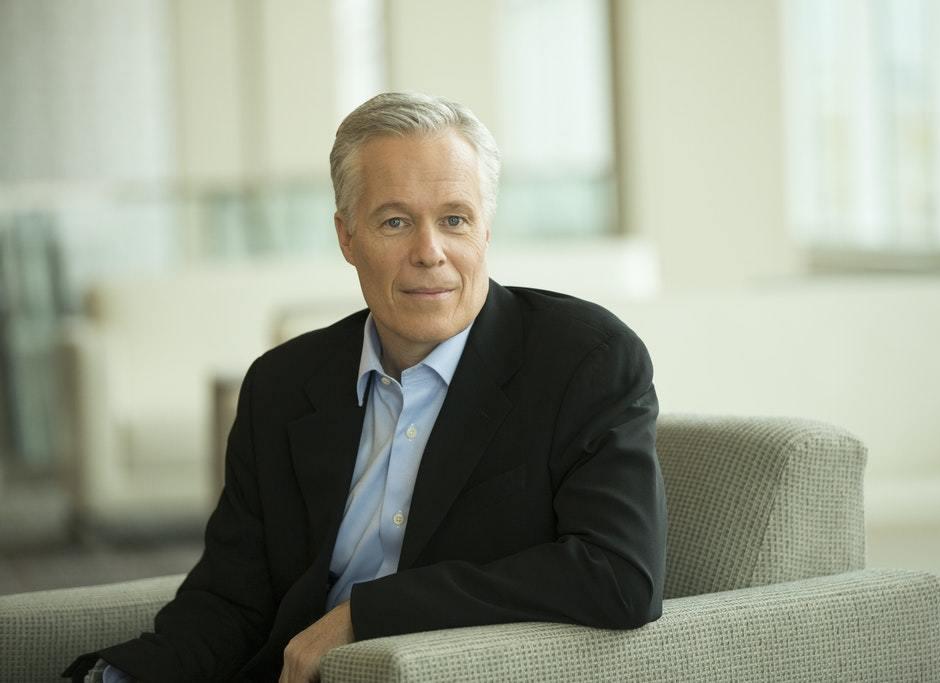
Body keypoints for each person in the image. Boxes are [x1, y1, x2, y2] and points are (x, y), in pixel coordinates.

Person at [66, 92, 666, 683]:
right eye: (395, 221)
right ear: (347, 237)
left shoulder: (584, 361)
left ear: (485, 230)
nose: (429, 252)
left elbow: (618, 575)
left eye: (454, 219)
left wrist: (366, 615)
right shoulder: (281, 384)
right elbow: (230, 600)